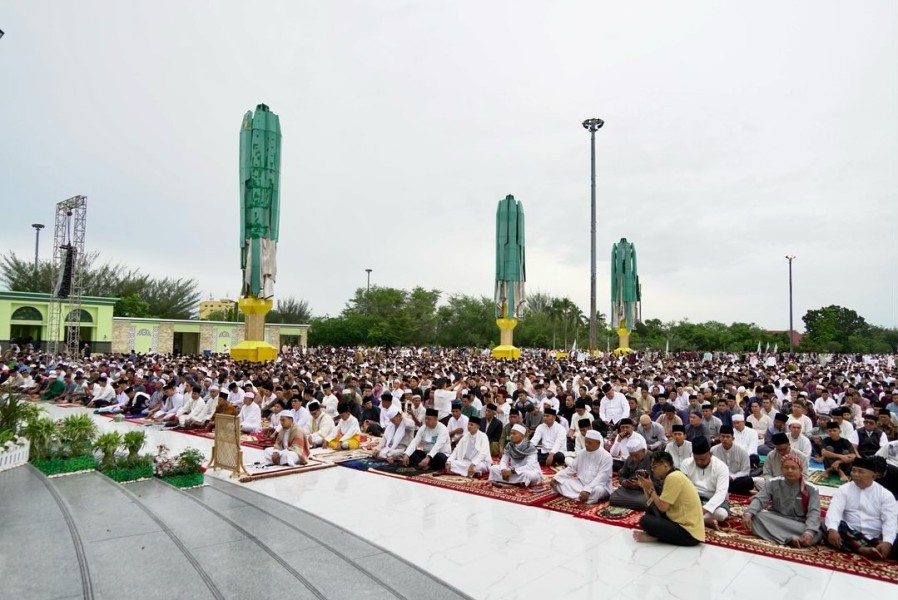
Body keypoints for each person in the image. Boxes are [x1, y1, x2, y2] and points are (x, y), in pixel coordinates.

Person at [824, 457, 897, 560]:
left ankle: (860, 547)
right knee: (827, 526)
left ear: (873, 476)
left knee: (893, 539)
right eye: (853, 471)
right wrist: (832, 529)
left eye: (860, 471)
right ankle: (862, 549)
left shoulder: (885, 495)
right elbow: (834, 511)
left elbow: (890, 520)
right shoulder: (844, 489)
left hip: (876, 535)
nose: (855, 474)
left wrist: (888, 542)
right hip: (850, 532)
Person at [743, 453, 822, 547]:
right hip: (777, 517)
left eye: (793, 468)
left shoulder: (811, 489)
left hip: (798, 523)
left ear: (800, 470)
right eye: (786, 467)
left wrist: (809, 532)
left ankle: (786, 537)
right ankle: (790, 539)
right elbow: (760, 499)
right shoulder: (773, 482)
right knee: (756, 517)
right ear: (781, 469)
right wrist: (749, 513)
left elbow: (814, 512)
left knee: (816, 532)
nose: (789, 470)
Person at [632, 451, 705, 547]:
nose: (653, 470)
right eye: (652, 467)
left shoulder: (673, 478)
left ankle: (657, 537)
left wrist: (650, 489)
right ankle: (659, 536)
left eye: (655, 467)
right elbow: (650, 502)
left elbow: (662, 507)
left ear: (665, 465)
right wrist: (645, 487)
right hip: (679, 521)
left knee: (645, 521)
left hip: (689, 533)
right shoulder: (671, 476)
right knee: (649, 511)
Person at [679, 436, 730, 530]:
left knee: (721, 514)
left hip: (713, 500)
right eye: (696, 459)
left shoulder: (721, 467)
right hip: (693, 498)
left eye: (702, 459)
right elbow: (682, 488)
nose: (699, 462)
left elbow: (721, 493)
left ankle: (692, 518)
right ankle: (705, 521)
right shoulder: (686, 463)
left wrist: (704, 510)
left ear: (710, 454)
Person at [551, 430, 613, 504]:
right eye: (585, 441)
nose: (586, 444)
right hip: (581, 483)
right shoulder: (582, 453)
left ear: (598, 443)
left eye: (589, 442)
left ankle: (585, 497)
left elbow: (601, 478)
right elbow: (572, 468)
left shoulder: (606, 457)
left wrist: (587, 490)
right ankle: (581, 496)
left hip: (598, 485)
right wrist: (557, 477)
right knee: (560, 482)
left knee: (597, 490)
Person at [489, 423, 542, 488]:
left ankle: (507, 481)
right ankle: (516, 483)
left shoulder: (529, 447)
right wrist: (503, 469)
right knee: (493, 468)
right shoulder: (509, 445)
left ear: (522, 436)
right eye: (511, 433)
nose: (511, 436)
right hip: (512, 471)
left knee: (528, 475)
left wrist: (512, 471)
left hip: (528, 471)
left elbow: (530, 466)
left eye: (514, 434)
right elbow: (504, 460)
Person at [609, 435, 653, 510]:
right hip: (629, 489)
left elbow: (658, 481)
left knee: (643, 502)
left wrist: (641, 485)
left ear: (643, 450)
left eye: (636, 455)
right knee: (612, 499)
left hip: (645, 491)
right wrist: (624, 482)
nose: (634, 458)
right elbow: (622, 475)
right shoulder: (630, 458)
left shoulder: (653, 458)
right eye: (631, 455)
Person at [711, 425, 752, 494]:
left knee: (748, 481)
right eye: (723, 436)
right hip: (719, 479)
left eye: (728, 437)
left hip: (735, 480)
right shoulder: (713, 450)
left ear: (733, 438)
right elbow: (711, 468)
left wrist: (732, 477)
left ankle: (725, 490)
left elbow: (745, 471)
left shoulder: (742, 451)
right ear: (719, 437)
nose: (725, 439)